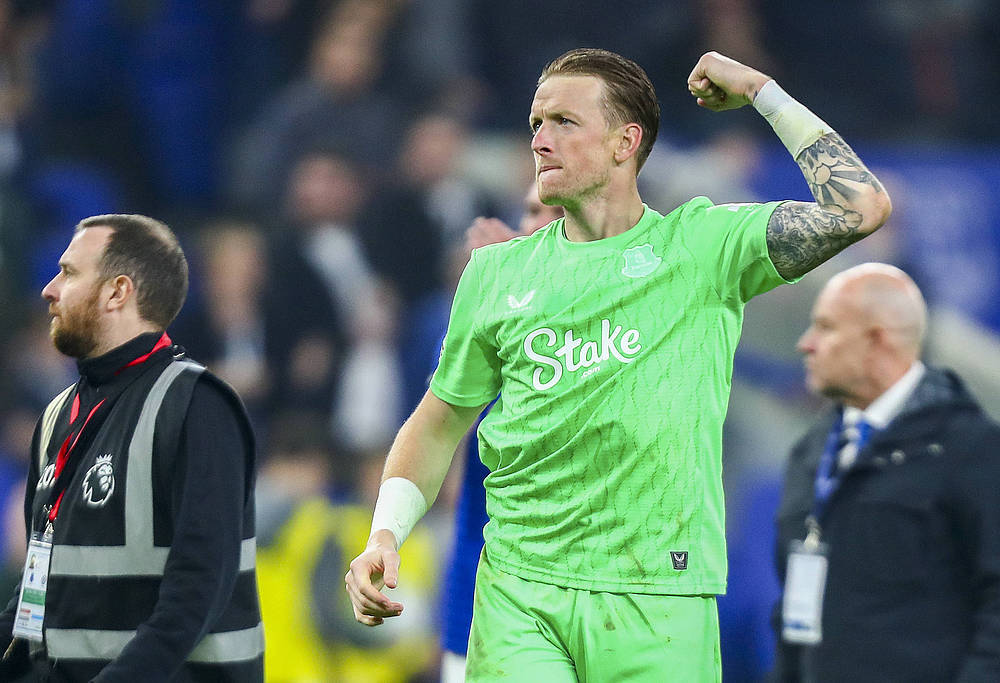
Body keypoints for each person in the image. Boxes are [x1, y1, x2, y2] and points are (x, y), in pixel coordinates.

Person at [345, 48, 892, 680]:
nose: (540, 140)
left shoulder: (702, 246)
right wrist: (384, 535)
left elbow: (859, 209)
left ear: (624, 142)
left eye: (564, 122)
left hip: (660, 595)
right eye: (535, 124)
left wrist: (762, 91)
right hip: (521, 592)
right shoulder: (495, 274)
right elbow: (438, 421)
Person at [0, 214, 263, 681]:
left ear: (117, 292)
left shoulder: (197, 407)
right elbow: (37, 590)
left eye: (68, 273)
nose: (49, 290)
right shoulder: (56, 417)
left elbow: (196, 597)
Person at [770, 263, 1000, 682]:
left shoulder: (972, 450)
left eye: (826, 328)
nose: (806, 344)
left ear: (876, 340)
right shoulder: (810, 452)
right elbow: (792, 608)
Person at [439, 184, 564, 683]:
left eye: (557, 213)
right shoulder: (487, 318)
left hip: (576, 616)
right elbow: (450, 437)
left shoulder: (614, 333)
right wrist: (495, 295)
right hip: (477, 609)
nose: (538, 227)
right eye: (532, 211)